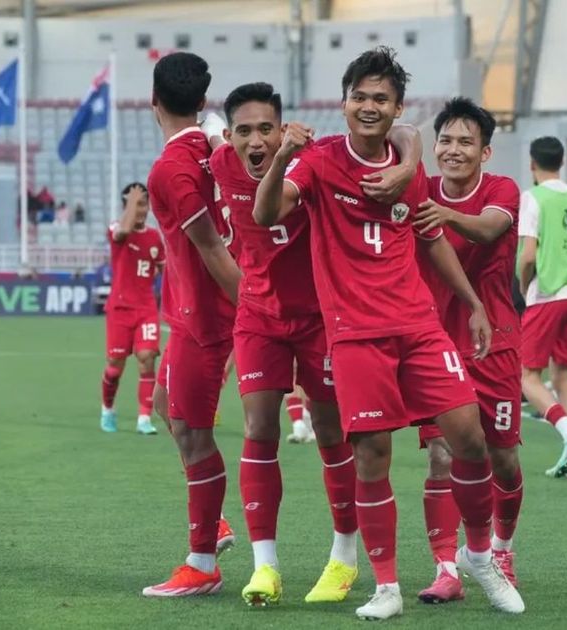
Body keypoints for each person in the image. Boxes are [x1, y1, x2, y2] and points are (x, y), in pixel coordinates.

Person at [254, 46, 524, 620]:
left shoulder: (410, 170)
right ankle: (386, 586)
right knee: (372, 455)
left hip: (419, 326)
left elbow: (429, 237)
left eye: (381, 98)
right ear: (344, 102)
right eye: (360, 97)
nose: (369, 106)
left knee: (469, 436)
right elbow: (266, 214)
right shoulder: (321, 160)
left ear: (397, 107)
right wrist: (279, 158)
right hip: (355, 335)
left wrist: (474, 303)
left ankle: (479, 555)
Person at [207, 81, 419, 606]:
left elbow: (407, 130)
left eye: (265, 129)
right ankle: (265, 567)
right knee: (259, 429)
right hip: (259, 316)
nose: (255, 141)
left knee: (331, 434)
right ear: (228, 136)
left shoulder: (314, 156)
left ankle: (343, 559)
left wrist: (410, 163)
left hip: (324, 317)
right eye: (243, 132)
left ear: (282, 128)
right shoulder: (218, 165)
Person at [408, 98, 527, 604]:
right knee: (441, 456)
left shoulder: (502, 190)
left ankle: (500, 550)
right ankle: (446, 569)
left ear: (485, 151)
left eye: (465, 142)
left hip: (494, 340)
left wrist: (444, 214)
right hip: (435, 341)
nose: (453, 151)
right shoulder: (420, 187)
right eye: (446, 141)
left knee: (501, 459)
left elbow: (489, 228)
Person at [140, 52, 241, 598]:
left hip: (207, 317)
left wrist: (254, 317)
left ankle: (203, 560)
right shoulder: (212, 145)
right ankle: (215, 523)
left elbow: (212, 252)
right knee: (166, 408)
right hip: (191, 314)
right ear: (202, 101)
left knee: (195, 435)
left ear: (151, 101)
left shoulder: (170, 171)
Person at [513, 135, 567, 480]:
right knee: (564, 374)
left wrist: (523, 286)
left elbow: (529, 255)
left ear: (533, 164)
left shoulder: (532, 197)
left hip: (548, 293)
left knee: (526, 375)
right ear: (562, 162)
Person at [97, 183, 164, 435]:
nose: (140, 210)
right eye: (136, 205)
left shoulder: (154, 237)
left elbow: (163, 269)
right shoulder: (116, 227)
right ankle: (107, 408)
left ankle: (144, 419)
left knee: (147, 359)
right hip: (120, 309)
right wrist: (132, 203)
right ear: (125, 207)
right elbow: (122, 232)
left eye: (144, 204)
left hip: (145, 308)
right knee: (114, 367)